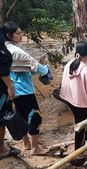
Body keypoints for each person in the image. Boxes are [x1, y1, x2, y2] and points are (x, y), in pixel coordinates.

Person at [2, 21, 52, 155]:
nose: (21, 35)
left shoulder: (6, 48)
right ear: (9, 35)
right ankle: (35, 149)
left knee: (22, 116)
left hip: (13, 89)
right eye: (18, 33)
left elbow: (24, 67)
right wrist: (46, 71)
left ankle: (26, 144)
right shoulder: (16, 51)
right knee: (35, 116)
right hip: (24, 89)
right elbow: (33, 64)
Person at [0, 29, 21, 159]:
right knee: (2, 117)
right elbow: (2, 68)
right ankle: (1, 149)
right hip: (1, 87)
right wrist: (10, 86)